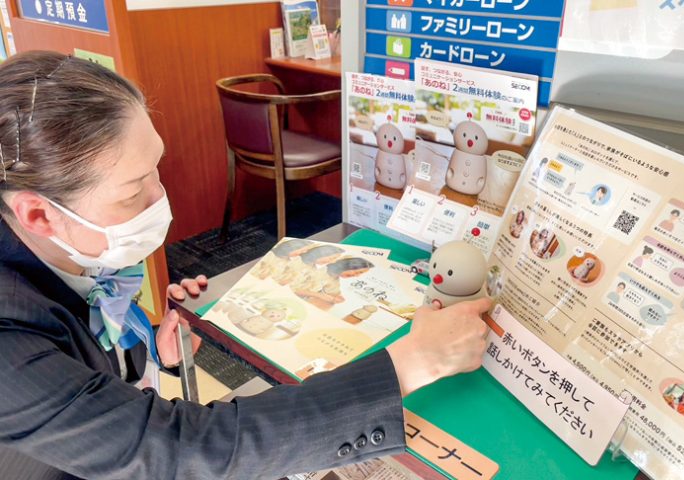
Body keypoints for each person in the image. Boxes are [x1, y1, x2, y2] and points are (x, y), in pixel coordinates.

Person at [0, 52, 492, 479]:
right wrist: (409, 364)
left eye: (156, 170)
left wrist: (151, 351)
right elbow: (176, 450)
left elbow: (85, 367)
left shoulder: (55, 248)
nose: (159, 200)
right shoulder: (9, 341)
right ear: (39, 215)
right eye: (134, 192)